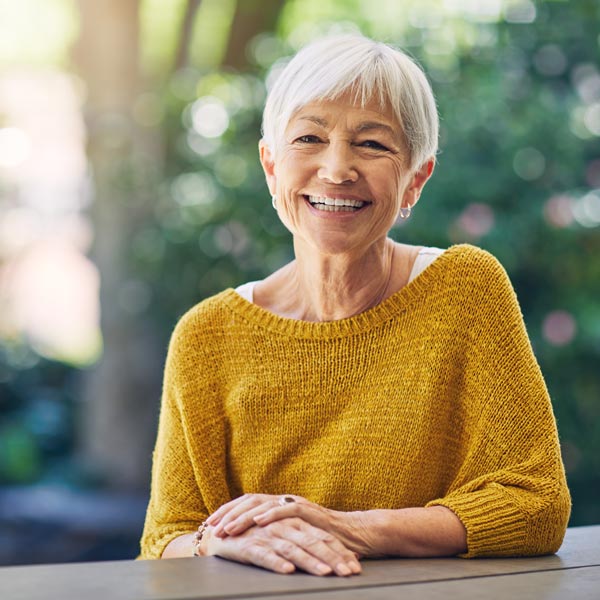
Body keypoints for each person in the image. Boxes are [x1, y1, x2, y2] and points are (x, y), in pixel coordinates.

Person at [139, 34, 571, 576]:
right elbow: (163, 541)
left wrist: (350, 528)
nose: (337, 169)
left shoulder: (467, 291)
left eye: (372, 144)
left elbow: (536, 505)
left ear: (415, 179)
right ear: (271, 167)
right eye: (309, 138)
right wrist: (216, 543)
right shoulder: (206, 336)